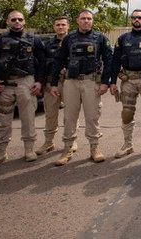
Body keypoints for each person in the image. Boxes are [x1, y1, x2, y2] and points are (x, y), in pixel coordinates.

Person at [50, 9, 113, 166]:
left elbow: (109, 61)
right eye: (83, 18)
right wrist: (53, 84)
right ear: (77, 21)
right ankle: (68, 148)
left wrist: (105, 82)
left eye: (89, 19)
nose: (86, 21)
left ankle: (94, 148)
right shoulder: (69, 38)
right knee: (69, 117)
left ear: (92, 21)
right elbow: (58, 60)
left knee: (92, 117)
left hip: (91, 81)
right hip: (71, 82)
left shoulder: (100, 38)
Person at [0, 10, 46, 167]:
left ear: (24, 21)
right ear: (8, 21)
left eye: (20, 19)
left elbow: (42, 62)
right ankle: (1, 152)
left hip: (26, 82)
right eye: (13, 19)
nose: (17, 22)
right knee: (3, 120)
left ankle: (29, 149)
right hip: (5, 84)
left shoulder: (34, 40)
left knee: (28, 119)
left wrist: (39, 82)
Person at [110, 9, 141, 158]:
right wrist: (112, 82)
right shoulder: (123, 38)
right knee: (127, 114)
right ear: (131, 20)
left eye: (140, 17)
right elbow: (115, 61)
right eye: (134, 17)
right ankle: (127, 145)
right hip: (128, 80)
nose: (137, 19)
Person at [35, 16, 74, 155]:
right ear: (54, 27)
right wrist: (40, 82)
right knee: (50, 114)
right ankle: (49, 142)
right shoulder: (47, 44)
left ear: (68, 26)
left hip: (69, 82)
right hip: (51, 84)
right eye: (58, 25)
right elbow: (41, 64)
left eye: (63, 24)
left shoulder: (74, 41)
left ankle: (71, 141)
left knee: (70, 115)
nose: (60, 27)